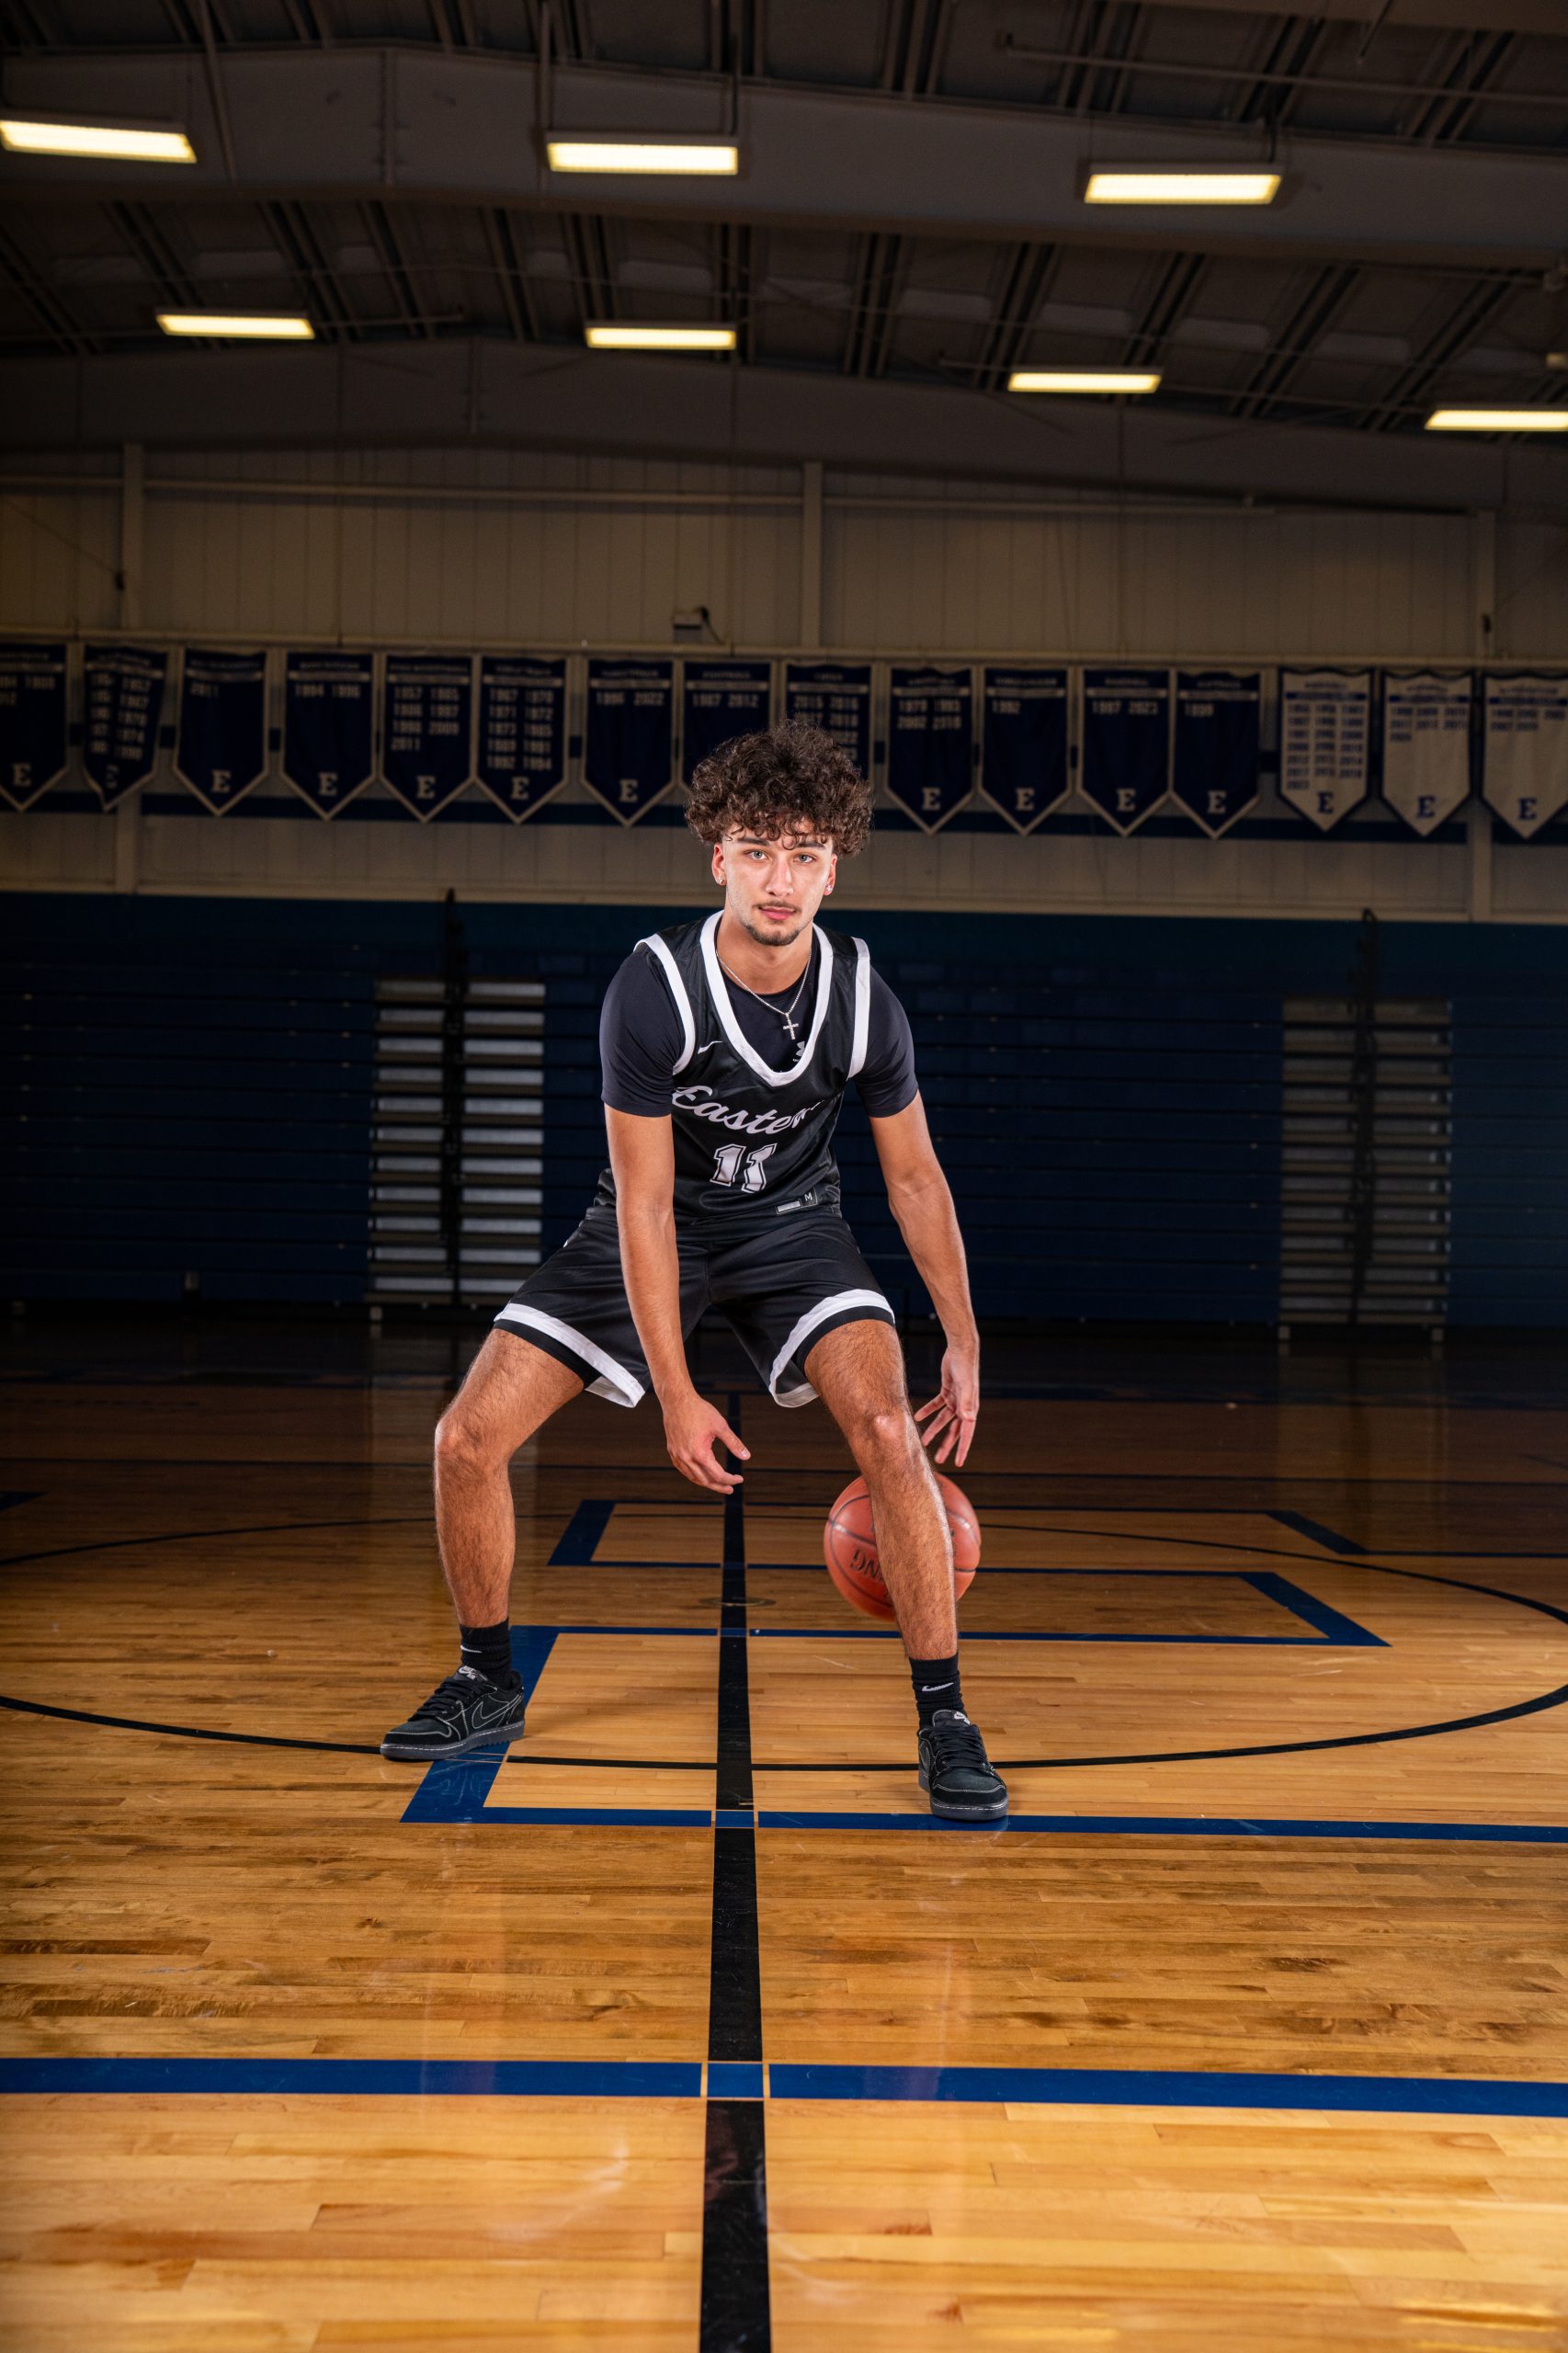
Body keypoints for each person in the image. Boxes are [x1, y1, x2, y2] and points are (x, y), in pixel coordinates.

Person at [381, 720, 1006, 1822]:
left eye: (804, 853)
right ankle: (486, 1676)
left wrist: (960, 1337)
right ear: (718, 857)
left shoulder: (862, 996)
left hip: (793, 1229)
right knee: (464, 1439)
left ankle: (945, 1717)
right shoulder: (654, 988)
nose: (780, 878)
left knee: (887, 1426)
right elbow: (645, 1205)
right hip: (650, 1222)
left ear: (833, 868)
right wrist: (673, 1393)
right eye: (758, 850)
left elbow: (915, 1179)